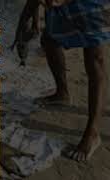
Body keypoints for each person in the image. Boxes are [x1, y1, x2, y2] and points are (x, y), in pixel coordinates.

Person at [19, 0, 109, 162]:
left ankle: (93, 132)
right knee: (50, 40)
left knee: (96, 58)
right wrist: (25, 23)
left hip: (93, 5)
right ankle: (62, 93)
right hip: (66, 6)